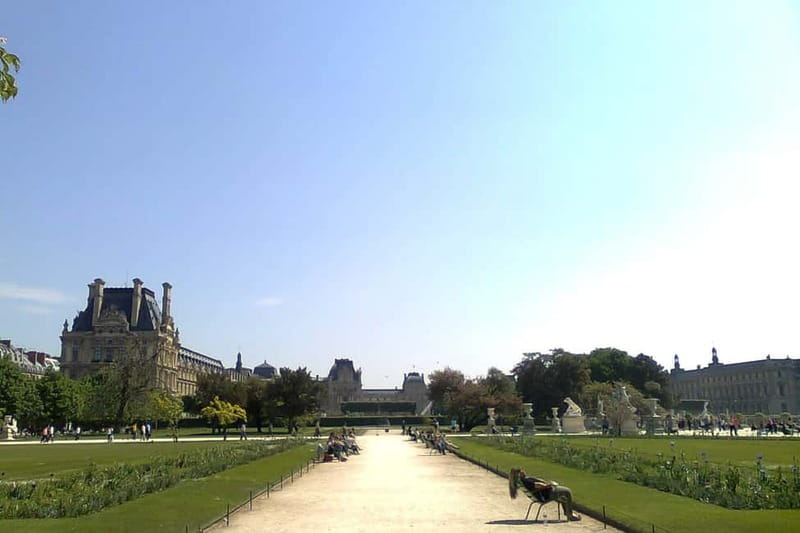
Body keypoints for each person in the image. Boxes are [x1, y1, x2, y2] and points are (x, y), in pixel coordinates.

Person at [508, 468, 581, 521]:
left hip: (542, 495)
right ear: (519, 473)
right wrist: (549, 485)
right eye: (522, 471)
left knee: (563, 494)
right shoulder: (525, 481)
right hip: (546, 495)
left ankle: (567, 512)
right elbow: (538, 485)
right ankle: (570, 514)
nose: (524, 472)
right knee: (567, 491)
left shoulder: (518, 482)